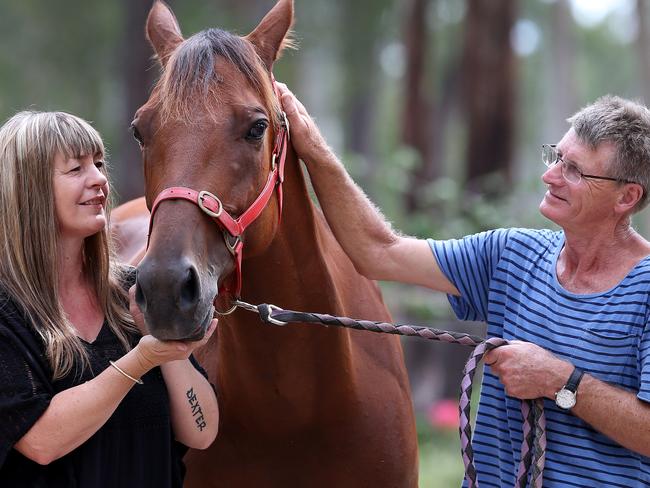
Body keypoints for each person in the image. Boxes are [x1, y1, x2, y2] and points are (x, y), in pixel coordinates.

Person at [278, 85, 650, 487]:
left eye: (574, 170)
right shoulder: (510, 254)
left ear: (626, 197)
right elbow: (378, 251)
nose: (549, 175)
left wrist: (561, 380)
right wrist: (313, 148)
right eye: (556, 157)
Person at [0, 111, 219, 488]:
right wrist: (142, 358)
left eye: (99, 164)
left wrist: (172, 353)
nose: (100, 179)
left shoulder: (135, 291)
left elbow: (201, 433)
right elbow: (42, 441)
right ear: (28, 187)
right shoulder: (8, 313)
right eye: (76, 169)